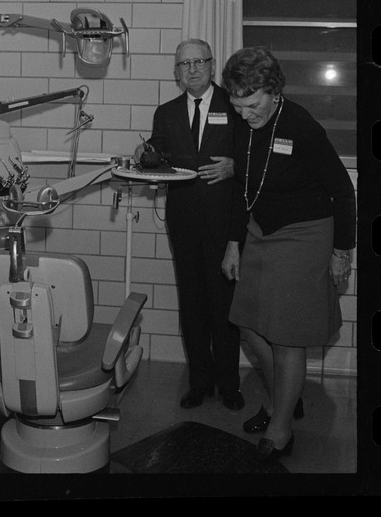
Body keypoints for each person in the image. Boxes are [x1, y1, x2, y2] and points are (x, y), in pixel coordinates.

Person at [221, 46, 355, 463]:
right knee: (247, 324)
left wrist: (341, 250)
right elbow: (241, 189)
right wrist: (233, 241)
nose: (244, 114)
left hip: (305, 233)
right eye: (237, 105)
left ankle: (280, 429)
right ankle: (286, 397)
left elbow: (343, 190)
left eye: (252, 104)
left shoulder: (300, 125)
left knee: (286, 334)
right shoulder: (244, 124)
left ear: (273, 90)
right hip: (259, 231)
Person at [140, 39, 244, 411]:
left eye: (200, 61)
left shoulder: (234, 106)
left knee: (225, 307)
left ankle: (230, 384)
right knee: (193, 304)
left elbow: (253, 156)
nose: (193, 69)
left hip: (225, 224)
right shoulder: (166, 113)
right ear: (176, 72)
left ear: (213, 66)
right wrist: (145, 158)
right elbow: (155, 153)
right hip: (183, 222)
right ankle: (200, 381)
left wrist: (235, 166)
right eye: (185, 64)